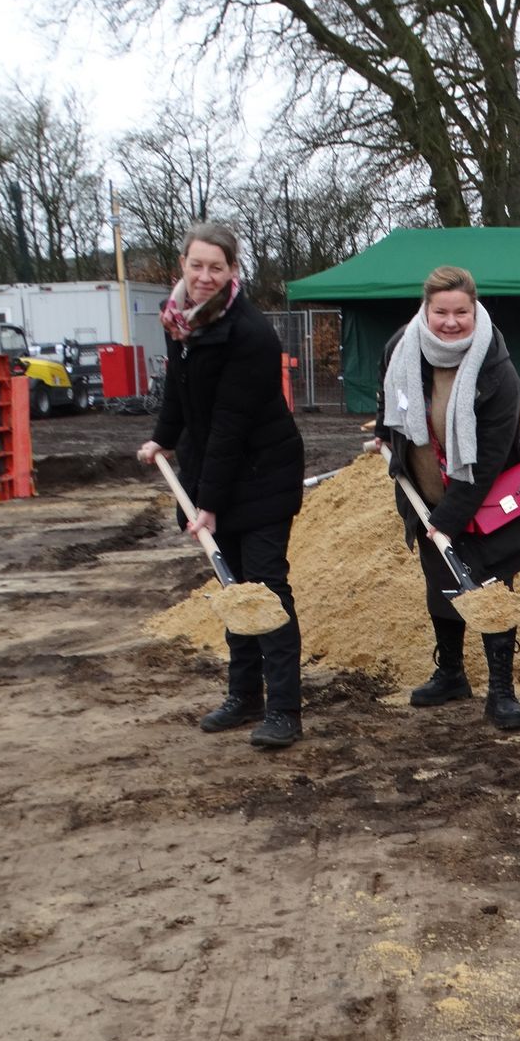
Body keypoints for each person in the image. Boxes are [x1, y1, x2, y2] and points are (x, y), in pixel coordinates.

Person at [139, 222, 306, 750]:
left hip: (262, 475)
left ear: (233, 270)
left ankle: (284, 709)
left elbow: (231, 423)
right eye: (197, 265)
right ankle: (244, 696)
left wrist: (206, 503)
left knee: (264, 589)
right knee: (233, 588)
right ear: (182, 266)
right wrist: (163, 438)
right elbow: (180, 391)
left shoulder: (249, 334)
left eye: (217, 267)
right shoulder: (180, 320)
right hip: (216, 468)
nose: (205, 276)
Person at [375, 266, 520, 731]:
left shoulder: (496, 371)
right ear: (426, 310)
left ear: (475, 310)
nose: (450, 322)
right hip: (426, 493)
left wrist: (449, 518)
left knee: (492, 589)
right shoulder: (402, 348)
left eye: (461, 312)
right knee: (442, 585)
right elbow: (388, 393)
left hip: (488, 499)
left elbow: (488, 461)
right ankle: (451, 674)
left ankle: (502, 691)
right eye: (441, 312)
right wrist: (384, 433)